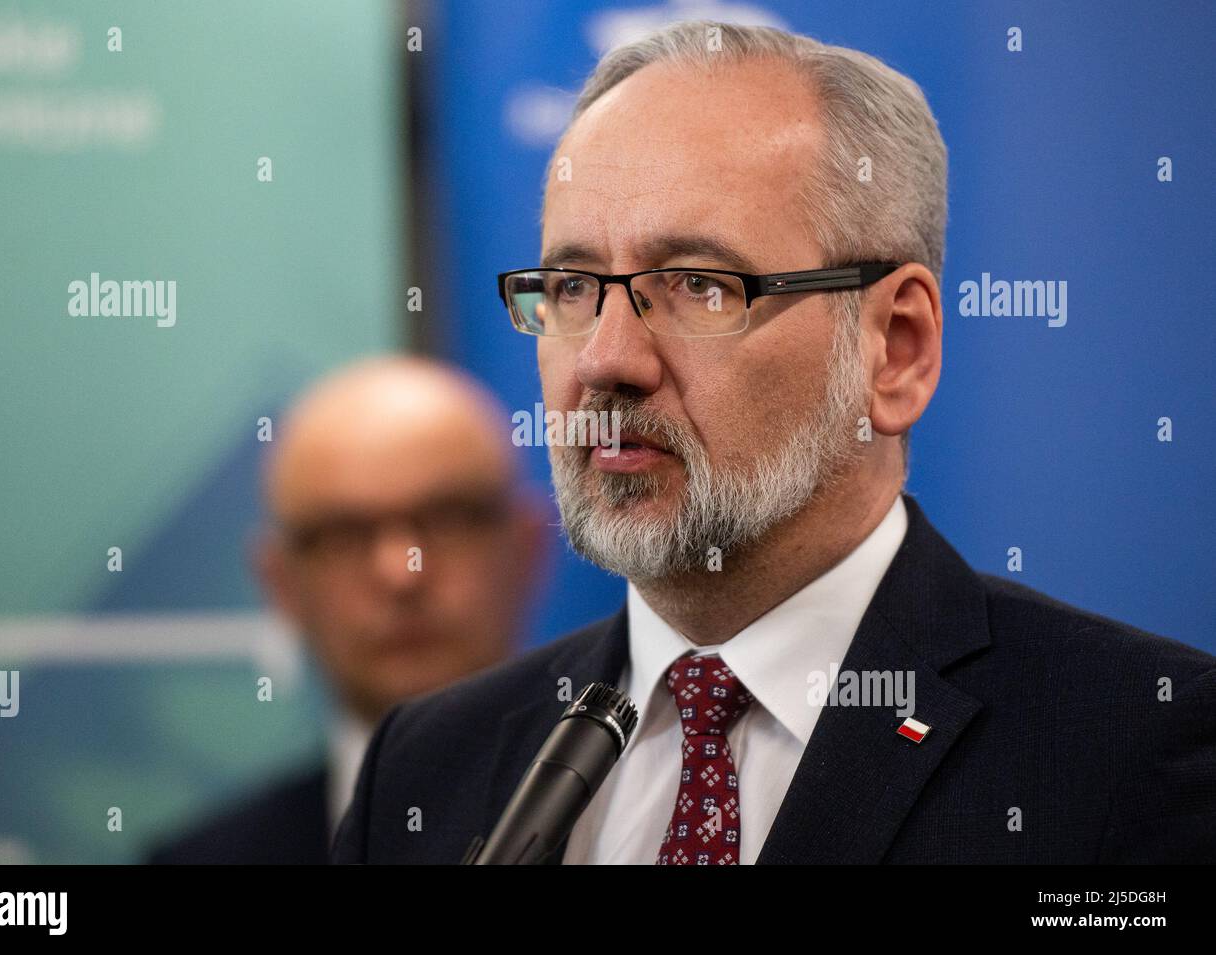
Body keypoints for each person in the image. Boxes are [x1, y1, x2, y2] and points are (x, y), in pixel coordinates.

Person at [331, 21, 1216, 864]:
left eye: (698, 286)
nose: (606, 359)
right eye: (569, 286)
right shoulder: (424, 767)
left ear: (895, 348)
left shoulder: (1133, 750)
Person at [150, 356, 545, 863]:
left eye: (446, 519)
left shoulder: (646, 825)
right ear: (282, 584)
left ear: (528, 549)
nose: (401, 574)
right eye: (343, 536)